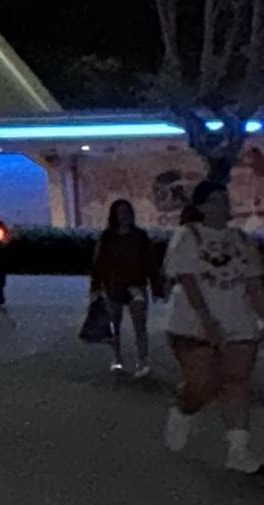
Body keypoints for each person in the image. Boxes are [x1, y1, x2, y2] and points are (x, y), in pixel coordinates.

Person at [162, 181, 264, 474]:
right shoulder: (188, 236)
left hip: (239, 323)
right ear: (201, 206)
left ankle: (238, 451)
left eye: (224, 199)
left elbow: (254, 284)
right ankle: (184, 409)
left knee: (236, 382)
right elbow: (189, 282)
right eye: (215, 200)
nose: (222, 205)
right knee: (202, 383)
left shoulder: (241, 239)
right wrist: (207, 321)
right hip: (192, 326)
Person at [89, 199, 159, 378]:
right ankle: (117, 359)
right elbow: (99, 263)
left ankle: (143, 361)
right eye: (120, 212)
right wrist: (96, 287)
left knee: (140, 325)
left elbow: (150, 262)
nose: (124, 216)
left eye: (127, 212)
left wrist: (156, 286)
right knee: (114, 326)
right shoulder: (107, 237)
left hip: (136, 285)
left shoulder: (140, 236)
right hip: (114, 286)